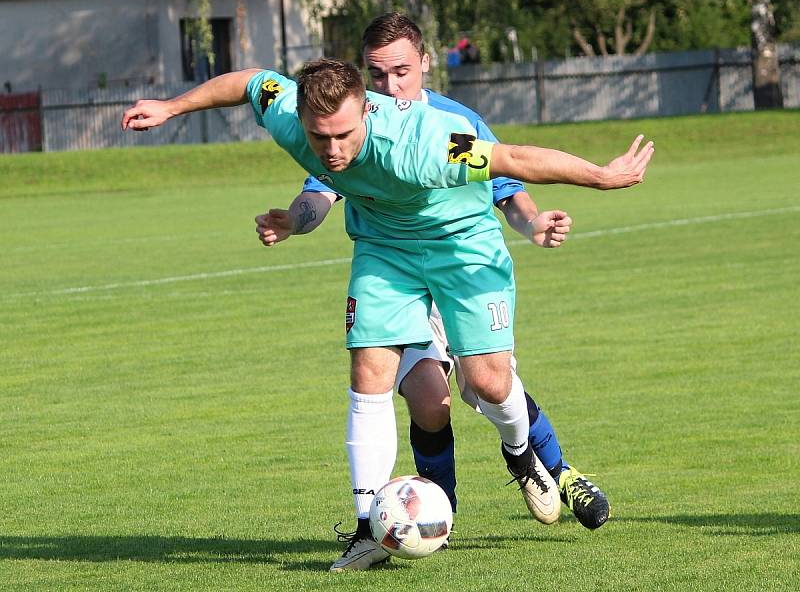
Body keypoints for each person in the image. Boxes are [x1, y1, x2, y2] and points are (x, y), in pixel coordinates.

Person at [121, 58, 653, 572]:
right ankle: (366, 532)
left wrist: (603, 177)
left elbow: (514, 158)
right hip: (384, 248)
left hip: (461, 245)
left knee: (489, 384)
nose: (331, 150)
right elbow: (247, 81)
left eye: (344, 135)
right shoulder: (288, 112)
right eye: (319, 136)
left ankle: (521, 452)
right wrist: (172, 107)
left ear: (367, 113)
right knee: (368, 371)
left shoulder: (420, 142)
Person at [257, 12, 613, 553]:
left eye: (401, 71)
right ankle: (430, 520)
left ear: (424, 62)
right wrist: (294, 217)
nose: (390, 86)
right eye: (377, 75)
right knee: (428, 399)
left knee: (488, 386)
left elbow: (509, 183)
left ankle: (550, 467)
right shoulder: (349, 124)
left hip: (462, 265)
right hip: (393, 267)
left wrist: (533, 223)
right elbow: (321, 190)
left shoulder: (450, 125)